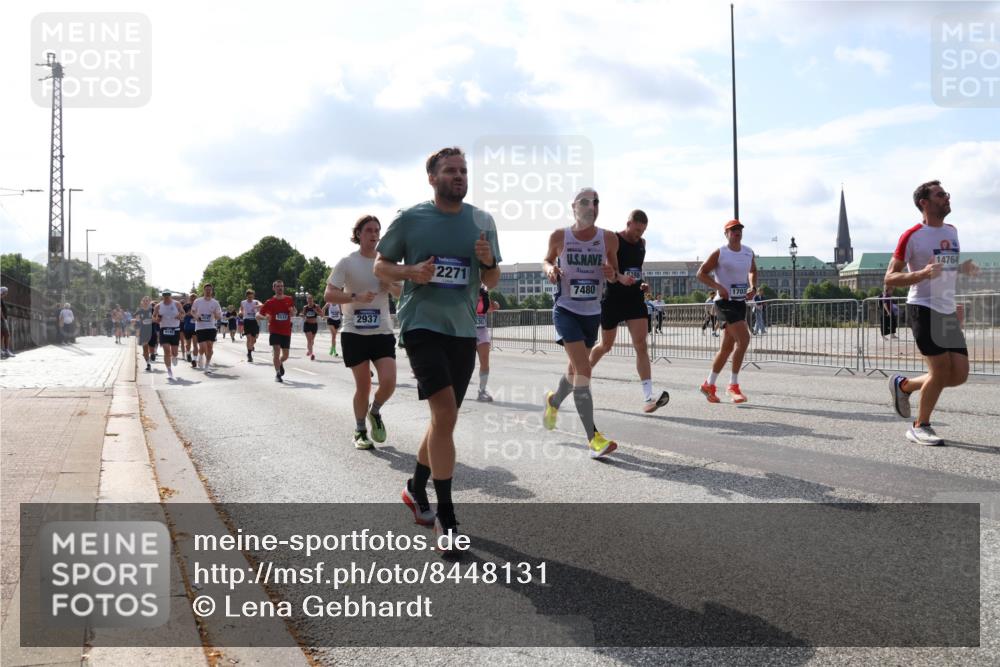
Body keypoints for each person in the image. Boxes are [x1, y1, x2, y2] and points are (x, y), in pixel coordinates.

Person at [374, 146, 501, 549]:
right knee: (445, 413)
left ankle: (414, 486)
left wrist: (487, 262)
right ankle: (445, 519)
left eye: (463, 170)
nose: (459, 176)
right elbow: (381, 266)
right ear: (432, 178)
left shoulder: (482, 221)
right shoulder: (410, 219)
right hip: (421, 325)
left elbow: (493, 280)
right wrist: (411, 271)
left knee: (442, 421)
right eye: (450, 171)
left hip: (463, 328)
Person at [886, 180, 979, 446]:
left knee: (958, 374)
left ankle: (904, 386)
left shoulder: (952, 230)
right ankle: (920, 426)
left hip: (947, 309)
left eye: (946, 193)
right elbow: (890, 278)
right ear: (924, 203)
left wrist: (963, 268)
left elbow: (945, 267)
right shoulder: (912, 235)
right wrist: (921, 274)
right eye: (940, 195)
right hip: (923, 307)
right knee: (939, 370)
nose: (946, 197)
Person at [541, 187, 629, 458]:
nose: (591, 206)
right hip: (566, 310)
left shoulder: (609, 239)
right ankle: (593, 438)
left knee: (574, 372)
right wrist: (551, 270)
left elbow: (614, 275)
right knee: (583, 368)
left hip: (592, 313)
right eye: (585, 202)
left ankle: (553, 402)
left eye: (596, 202)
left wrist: (611, 273)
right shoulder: (560, 236)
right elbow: (545, 260)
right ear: (574, 207)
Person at [327, 214, 402, 449]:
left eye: (377, 230)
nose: (374, 234)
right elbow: (329, 295)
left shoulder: (385, 264)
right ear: (358, 234)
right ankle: (360, 430)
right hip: (354, 333)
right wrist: (355, 297)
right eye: (369, 230)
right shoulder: (347, 262)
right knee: (364, 386)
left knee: (389, 382)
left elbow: (400, 294)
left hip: (382, 331)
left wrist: (388, 285)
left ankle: (375, 411)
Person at [588, 209, 670, 414]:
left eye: (642, 231)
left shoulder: (642, 244)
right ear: (628, 224)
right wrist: (619, 277)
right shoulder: (614, 240)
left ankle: (648, 397)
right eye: (636, 230)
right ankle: (581, 375)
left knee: (641, 345)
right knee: (605, 345)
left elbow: (637, 270)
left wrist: (642, 284)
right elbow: (607, 270)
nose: (638, 235)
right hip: (613, 298)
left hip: (634, 299)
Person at [696, 219, 758, 404]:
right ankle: (733, 385)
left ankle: (709, 384)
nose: (736, 232)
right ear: (726, 234)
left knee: (726, 348)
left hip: (740, 302)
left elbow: (753, 271)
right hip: (724, 303)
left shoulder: (748, 252)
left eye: (739, 230)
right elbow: (701, 273)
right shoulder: (720, 253)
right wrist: (718, 287)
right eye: (732, 230)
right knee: (744, 339)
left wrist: (753, 287)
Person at [258, 279, 296, 382]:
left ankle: (280, 362)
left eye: (282, 286)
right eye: (278, 286)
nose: (280, 288)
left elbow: (294, 312)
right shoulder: (269, 302)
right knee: (276, 351)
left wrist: (293, 312)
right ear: (273, 288)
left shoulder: (289, 299)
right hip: (274, 331)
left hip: (286, 331)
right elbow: (258, 314)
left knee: (286, 355)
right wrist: (265, 317)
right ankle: (278, 374)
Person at [474, 285, 500, 402]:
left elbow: (491, 308)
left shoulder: (484, 292)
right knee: (463, 363)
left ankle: (482, 391)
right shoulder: (465, 290)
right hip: (466, 330)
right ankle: (453, 388)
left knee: (485, 361)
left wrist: (494, 305)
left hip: (481, 330)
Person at [190, 284, 223, 372]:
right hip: (200, 327)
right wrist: (196, 317)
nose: (208, 291)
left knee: (210, 348)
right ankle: (200, 356)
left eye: (210, 290)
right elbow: (192, 311)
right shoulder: (197, 301)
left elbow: (219, 316)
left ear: (212, 291)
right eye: (206, 290)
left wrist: (216, 315)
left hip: (211, 327)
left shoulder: (215, 302)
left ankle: (207, 366)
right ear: (204, 291)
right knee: (203, 347)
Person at [154, 291, 182, 380]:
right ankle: (169, 370)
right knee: (166, 351)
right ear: (162, 296)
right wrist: (157, 319)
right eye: (164, 295)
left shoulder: (176, 304)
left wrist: (180, 316)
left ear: (171, 296)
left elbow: (183, 314)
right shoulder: (158, 306)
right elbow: (153, 317)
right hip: (164, 329)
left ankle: (175, 356)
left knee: (175, 352)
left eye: (168, 295)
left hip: (175, 329)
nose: (166, 297)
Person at [239, 289, 261, 363]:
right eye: (249, 297)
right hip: (247, 320)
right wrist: (241, 313)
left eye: (251, 297)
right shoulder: (243, 302)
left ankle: (251, 348)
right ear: (246, 296)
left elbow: (263, 305)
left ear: (253, 296)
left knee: (254, 339)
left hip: (254, 321)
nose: (250, 299)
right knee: (249, 338)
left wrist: (257, 306)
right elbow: (241, 310)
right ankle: (249, 354)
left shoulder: (256, 302)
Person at [135, 297, 155, 371]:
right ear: (142, 302)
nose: (146, 302)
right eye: (144, 301)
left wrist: (153, 319)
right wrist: (137, 321)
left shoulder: (153, 310)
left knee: (152, 346)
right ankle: (148, 363)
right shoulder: (139, 311)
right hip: (143, 332)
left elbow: (157, 318)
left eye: (147, 301)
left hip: (152, 331)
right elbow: (136, 319)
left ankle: (153, 353)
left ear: (150, 302)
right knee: (145, 349)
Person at [300, 294, 322, 361]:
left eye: (311, 299)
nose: (309, 301)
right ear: (307, 300)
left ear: (313, 299)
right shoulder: (305, 307)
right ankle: (312, 354)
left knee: (312, 341)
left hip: (314, 325)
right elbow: (303, 314)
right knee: (309, 340)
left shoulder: (316, 306)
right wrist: (302, 315)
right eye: (308, 299)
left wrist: (316, 311)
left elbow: (322, 314)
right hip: (307, 325)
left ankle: (309, 350)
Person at [181, 293, 198, 361]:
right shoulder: (185, 306)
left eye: (194, 298)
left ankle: (194, 359)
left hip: (196, 327)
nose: (193, 300)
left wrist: (195, 315)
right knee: (188, 344)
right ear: (189, 299)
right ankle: (188, 353)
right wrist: (187, 314)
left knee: (195, 344)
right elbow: (181, 316)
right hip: (187, 327)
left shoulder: (198, 305)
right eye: (191, 298)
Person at [1, 286, 14, 358]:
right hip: (2, 319)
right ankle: (6, 350)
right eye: (6, 292)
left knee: (3, 335)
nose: (7, 293)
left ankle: (4, 350)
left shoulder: (1, 299)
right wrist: (3, 319)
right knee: (7, 334)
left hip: (2, 319)